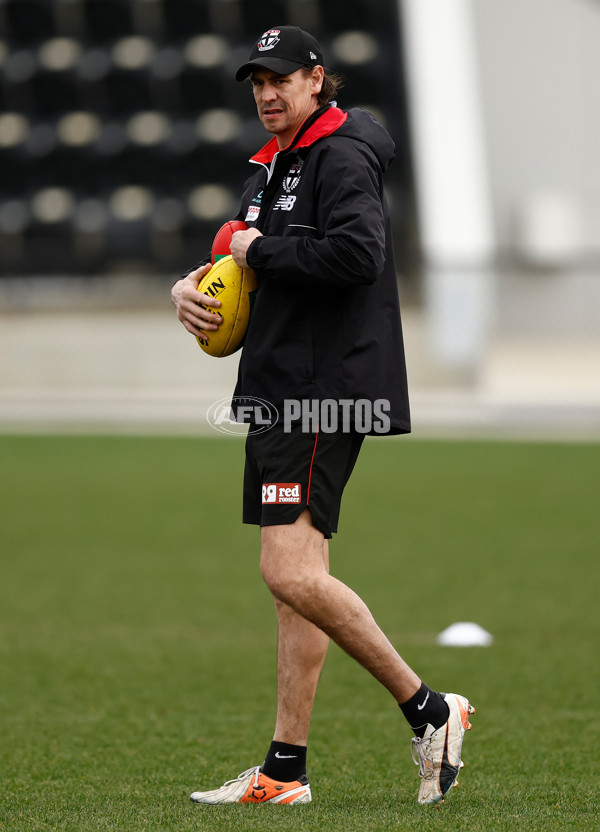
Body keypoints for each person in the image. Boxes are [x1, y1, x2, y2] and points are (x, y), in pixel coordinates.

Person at [171, 25, 474, 807]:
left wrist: (253, 251)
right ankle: (285, 771)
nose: (267, 93)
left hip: (321, 386)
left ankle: (431, 709)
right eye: (256, 82)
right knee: (294, 586)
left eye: (281, 78)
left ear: (316, 79)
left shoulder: (339, 155)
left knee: (288, 571)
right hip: (280, 384)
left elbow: (355, 254)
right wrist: (193, 284)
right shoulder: (275, 163)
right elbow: (240, 252)